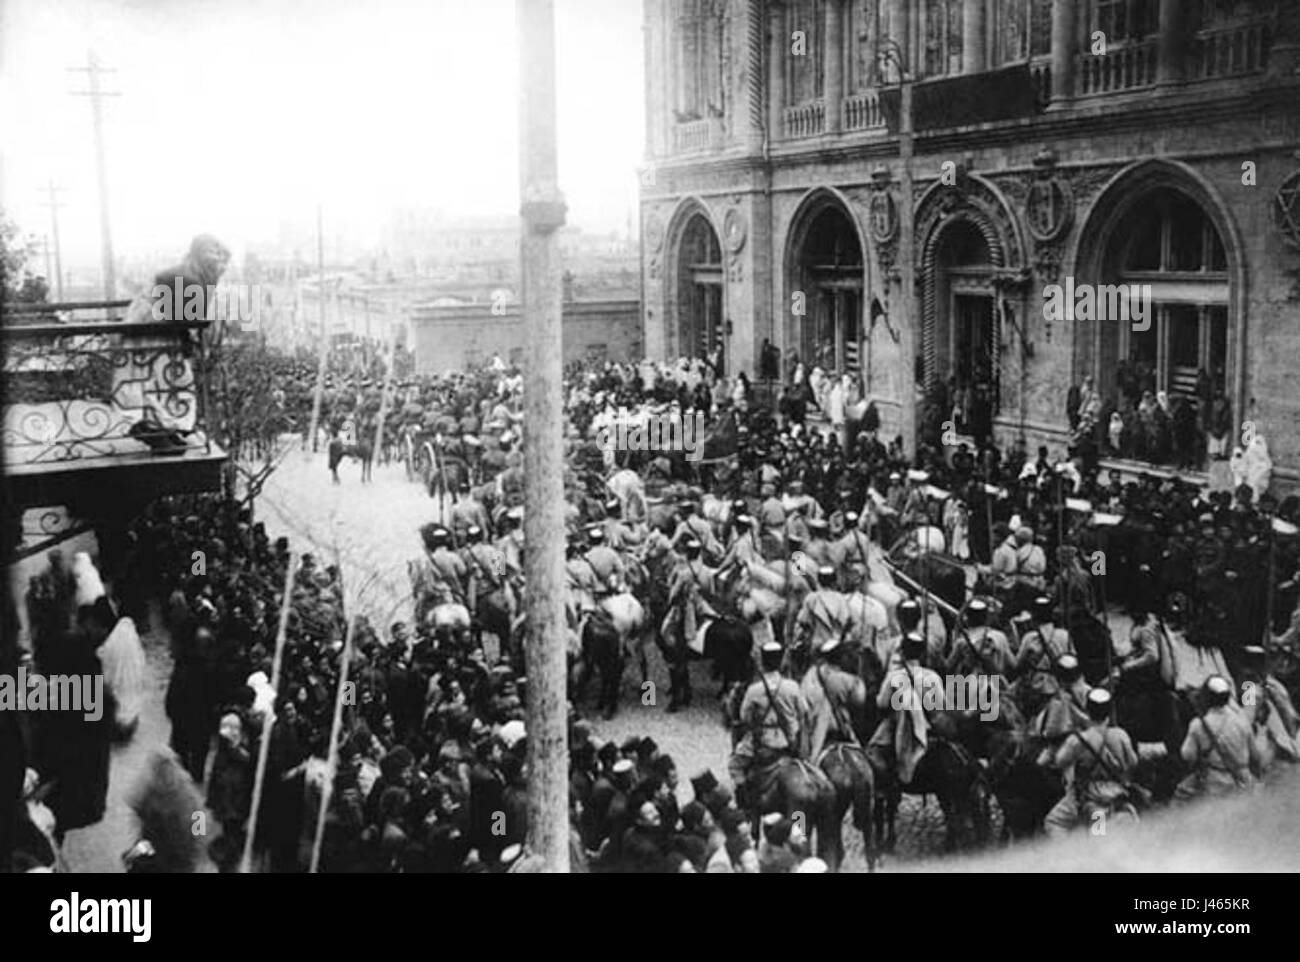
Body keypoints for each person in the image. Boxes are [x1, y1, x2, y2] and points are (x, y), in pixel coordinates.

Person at [1043, 689, 1139, 837]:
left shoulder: (1079, 740)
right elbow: (1133, 763)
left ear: (1088, 711)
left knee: (1054, 822)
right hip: (1118, 793)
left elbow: (1059, 761)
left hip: (1094, 800)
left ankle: (1068, 856)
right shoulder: (1121, 735)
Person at [728, 643, 811, 812]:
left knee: (734, 765)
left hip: (762, 744)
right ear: (780, 662)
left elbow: (745, 717)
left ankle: (746, 807)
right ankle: (799, 831)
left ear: (762, 663)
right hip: (789, 742)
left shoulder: (754, 690)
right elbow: (804, 712)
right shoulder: (792, 686)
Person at [866, 633, 946, 785]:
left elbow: (882, 704)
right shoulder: (933, 677)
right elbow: (940, 705)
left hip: (897, 726)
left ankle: (885, 788)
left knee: (874, 752)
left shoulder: (893, 676)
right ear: (922, 654)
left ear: (902, 652)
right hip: (929, 725)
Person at [1176, 676, 1259, 800]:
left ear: (1207, 698)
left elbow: (1188, 756)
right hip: (1243, 781)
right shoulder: (1242, 721)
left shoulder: (1198, 725)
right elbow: (1255, 756)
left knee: (1180, 795)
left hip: (1215, 785)